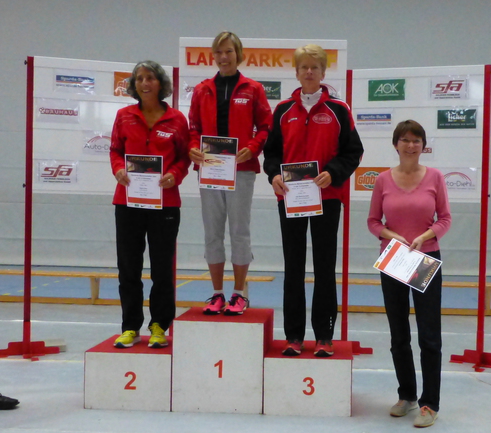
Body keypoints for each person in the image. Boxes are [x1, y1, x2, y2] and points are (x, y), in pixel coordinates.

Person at [263, 44, 363, 357]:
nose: (309, 72)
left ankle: (324, 337)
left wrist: (333, 173)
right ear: (296, 72)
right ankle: (294, 336)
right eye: (304, 67)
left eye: (315, 67)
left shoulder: (338, 109)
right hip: (291, 198)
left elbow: (353, 152)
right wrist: (274, 175)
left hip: (327, 197)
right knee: (293, 267)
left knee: (324, 266)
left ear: (323, 72)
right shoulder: (283, 111)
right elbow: (271, 153)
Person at [367, 120, 451, 428]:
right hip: (394, 259)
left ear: (423, 145)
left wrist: (425, 236)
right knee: (398, 333)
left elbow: (445, 218)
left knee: (429, 334)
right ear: (396, 144)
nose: (411, 145)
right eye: (405, 140)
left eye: (416, 140)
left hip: (425, 258)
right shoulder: (382, 180)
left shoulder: (435, 177)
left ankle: (430, 403)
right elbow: (373, 222)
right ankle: (407, 395)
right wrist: (392, 235)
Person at [188, 31, 272, 316]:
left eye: (229, 51)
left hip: (241, 170)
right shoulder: (202, 89)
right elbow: (193, 128)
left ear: (239, 54)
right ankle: (216, 293)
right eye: (219, 52)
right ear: (214, 56)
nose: (224, 57)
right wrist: (193, 148)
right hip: (210, 169)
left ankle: (238, 293)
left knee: (239, 231)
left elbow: (266, 126)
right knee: (212, 232)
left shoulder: (253, 89)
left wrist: (253, 148)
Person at [110, 60, 190, 348]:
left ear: (160, 83)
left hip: (165, 204)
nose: (145, 83)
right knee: (128, 268)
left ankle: (159, 326)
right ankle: (131, 326)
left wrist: (175, 175)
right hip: (128, 201)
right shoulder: (124, 116)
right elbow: (115, 150)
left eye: (151, 78)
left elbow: (184, 157)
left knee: (162, 269)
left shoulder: (177, 119)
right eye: (140, 78)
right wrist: (119, 169)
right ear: (134, 85)